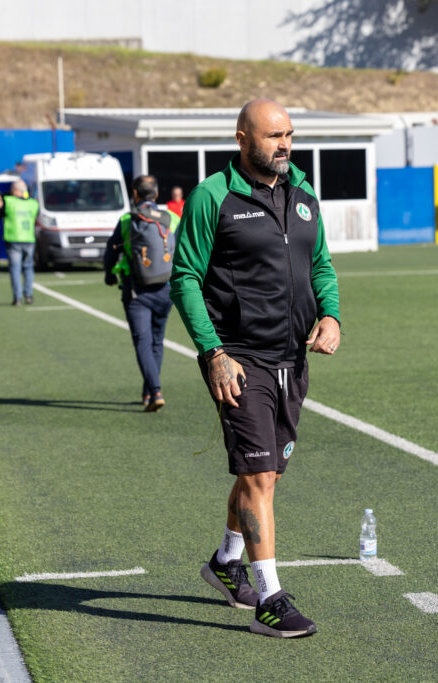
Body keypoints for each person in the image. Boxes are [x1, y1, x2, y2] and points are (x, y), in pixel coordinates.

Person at [170, 99, 340, 639]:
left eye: (289, 134)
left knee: (264, 473)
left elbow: (321, 265)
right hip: (237, 358)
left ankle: (225, 564)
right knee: (258, 473)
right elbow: (185, 278)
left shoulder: (304, 194)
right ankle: (270, 598)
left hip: (293, 357)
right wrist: (213, 353)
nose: (284, 144)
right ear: (242, 138)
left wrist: (331, 314)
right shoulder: (210, 197)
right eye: (273, 136)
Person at [103, 175, 177, 411]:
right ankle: (148, 392)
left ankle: (154, 391)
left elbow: (110, 251)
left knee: (143, 341)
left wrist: (109, 273)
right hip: (166, 288)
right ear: (156, 194)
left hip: (137, 290)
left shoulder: (127, 220)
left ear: (135, 194)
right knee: (157, 340)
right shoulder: (172, 219)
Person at [0, 182, 39, 306]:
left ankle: (17, 297)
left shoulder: (9, 201)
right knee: (28, 268)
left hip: (14, 238)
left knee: (16, 269)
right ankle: (28, 294)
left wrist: (0, 202)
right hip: (29, 238)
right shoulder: (33, 203)